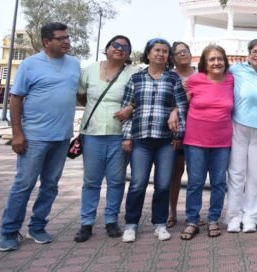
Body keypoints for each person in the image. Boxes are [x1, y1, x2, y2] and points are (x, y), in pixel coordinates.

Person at [0, 22, 80, 252]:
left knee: (50, 185)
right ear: (46, 42)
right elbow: (16, 99)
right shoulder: (30, 64)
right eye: (61, 38)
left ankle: (37, 227)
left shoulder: (74, 64)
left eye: (67, 37)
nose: (66, 41)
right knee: (24, 184)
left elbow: (78, 94)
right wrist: (17, 133)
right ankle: (9, 231)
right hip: (34, 137)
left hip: (62, 137)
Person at [120, 38, 188, 243]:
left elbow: (182, 107)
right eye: (156, 50)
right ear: (148, 53)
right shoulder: (136, 79)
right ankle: (131, 224)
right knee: (137, 184)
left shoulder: (173, 79)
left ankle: (159, 224)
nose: (160, 54)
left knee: (163, 184)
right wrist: (126, 136)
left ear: (168, 56)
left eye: (165, 51)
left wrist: (178, 134)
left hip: (166, 141)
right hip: (141, 140)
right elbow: (127, 110)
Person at [73, 35, 138, 243]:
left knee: (116, 180)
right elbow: (81, 95)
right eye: (116, 45)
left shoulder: (133, 73)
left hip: (120, 134)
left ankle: (111, 220)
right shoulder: (90, 70)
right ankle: (86, 222)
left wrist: (131, 108)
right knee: (91, 181)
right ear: (107, 48)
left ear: (129, 53)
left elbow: (140, 98)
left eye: (125, 47)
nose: (120, 49)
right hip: (92, 133)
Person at [179, 45, 234, 240]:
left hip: (222, 141)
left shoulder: (231, 79)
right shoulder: (194, 80)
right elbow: (181, 103)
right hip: (195, 140)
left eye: (220, 58)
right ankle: (192, 221)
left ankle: (213, 219)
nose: (216, 62)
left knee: (219, 182)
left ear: (225, 61)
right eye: (212, 59)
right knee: (195, 182)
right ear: (204, 62)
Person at [226, 39, 257, 233]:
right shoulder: (236, 70)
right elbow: (213, 75)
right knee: (236, 174)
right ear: (248, 54)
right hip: (238, 128)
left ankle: (251, 218)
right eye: (254, 51)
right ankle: (233, 217)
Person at [167, 41, 195, 229]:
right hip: (175, 130)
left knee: (195, 173)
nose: (183, 54)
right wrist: (176, 107)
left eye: (185, 51)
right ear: (172, 58)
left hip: (197, 130)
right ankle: (172, 212)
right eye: (178, 53)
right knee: (175, 172)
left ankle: (193, 213)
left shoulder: (201, 74)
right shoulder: (168, 76)